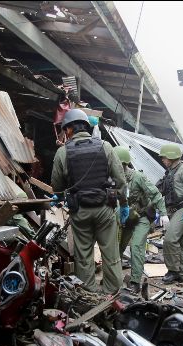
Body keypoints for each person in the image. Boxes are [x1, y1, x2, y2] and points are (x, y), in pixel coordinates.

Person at [51, 108, 129, 294]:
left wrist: (59, 197)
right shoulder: (105, 147)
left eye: (65, 130)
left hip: (80, 211)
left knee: (84, 255)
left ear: (69, 129)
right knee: (110, 252)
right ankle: (113, 292)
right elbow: (121, 182)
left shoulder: (63, 152)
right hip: (105, 209)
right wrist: (124, 204)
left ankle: (88, 294)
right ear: (85, 126)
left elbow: (57, 186)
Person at [115, 145, 167, 293]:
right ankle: (114, 278)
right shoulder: (113, 178)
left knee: (136, 247)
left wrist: (163, 213)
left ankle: (135, 281)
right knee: (116, 248)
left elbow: (156, 194)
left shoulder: (139, 177)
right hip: (125, 218)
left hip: (142, 217)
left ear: (123, 164)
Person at [159, 143, 183, 284]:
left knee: (170, 239)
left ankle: (173, 271)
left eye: (164, 157)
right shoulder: (170, 171)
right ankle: (182, 274)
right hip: (172, 210)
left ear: (171, 156)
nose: (162, 160)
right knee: (181, 242)